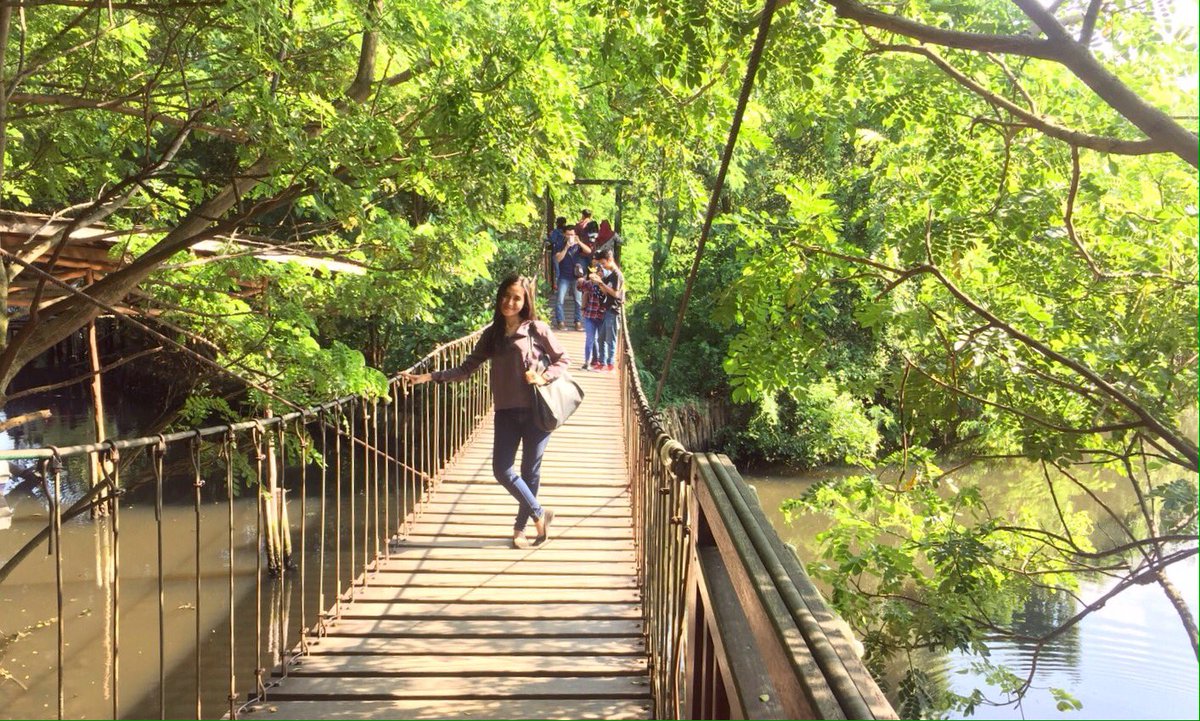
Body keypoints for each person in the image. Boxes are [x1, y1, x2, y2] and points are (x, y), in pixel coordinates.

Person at [400, 275, 567, 548]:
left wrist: (543, 377)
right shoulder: (492, 334)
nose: (509, 302)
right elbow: (466, 368)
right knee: (502, 470)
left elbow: (562, 360)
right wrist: (429, 376)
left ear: (526, 301)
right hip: (506, 411)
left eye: (517, 298)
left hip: (537, 411)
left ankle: (520, 528)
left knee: (529, 471)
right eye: (506, 296)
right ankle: (539, 513)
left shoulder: (537, 329)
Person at [552, 226, 592, 330]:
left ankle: (578, 322)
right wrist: (566, 247)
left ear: (575, 235)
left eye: (572, 234)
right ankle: (560, 321)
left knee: (578, 300)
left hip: (576, 277)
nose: (570, 236)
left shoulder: (578, 245)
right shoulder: (560, 244)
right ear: (564, 235)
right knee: (560, 300)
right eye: (568, 234)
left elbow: (589, 251)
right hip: (563, 276)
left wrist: (579, 242)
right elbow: (558, 259)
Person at [591, 249, 624, 372]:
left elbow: (616, 293)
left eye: (603, 263)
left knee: (611, 339)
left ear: (610, 260)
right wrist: (598, 282)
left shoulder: (617, 275)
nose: (603, 266)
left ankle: (610, 364)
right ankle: (602, 362)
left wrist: (601, 283)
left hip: (614, 310)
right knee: (601, 338)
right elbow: (605, 292)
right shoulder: (610, 275)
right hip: (607, 309)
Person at [576, 258, 608, 370]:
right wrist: (581, 278)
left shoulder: (607, 285)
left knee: (601, 340)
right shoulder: (590, 284)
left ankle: (602, 362)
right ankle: (587, 362)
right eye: (599, 271)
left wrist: (600, 284)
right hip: (590, 315)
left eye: (602, 271)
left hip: (602, 316)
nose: (600, 273)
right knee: (590, 339)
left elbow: (609, 294)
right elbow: (580, 286)